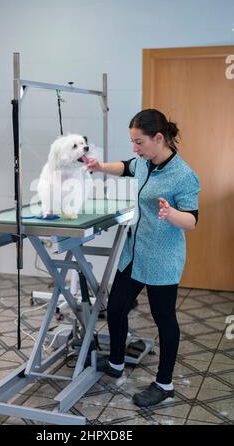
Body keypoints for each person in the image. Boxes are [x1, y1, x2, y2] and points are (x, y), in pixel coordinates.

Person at [86, 109, 200, 408]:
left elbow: (193, 220)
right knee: (116, 308)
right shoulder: (144, 163)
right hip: (133, 256)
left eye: (139, 142)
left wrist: (172, 214)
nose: (135, 148)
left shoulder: (183, 175)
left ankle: (165, 384)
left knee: (165, 320)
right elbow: (125, 167)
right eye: (132, 141)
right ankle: (116, 363)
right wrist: (99, 166)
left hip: (162, 258)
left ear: (158, 138)